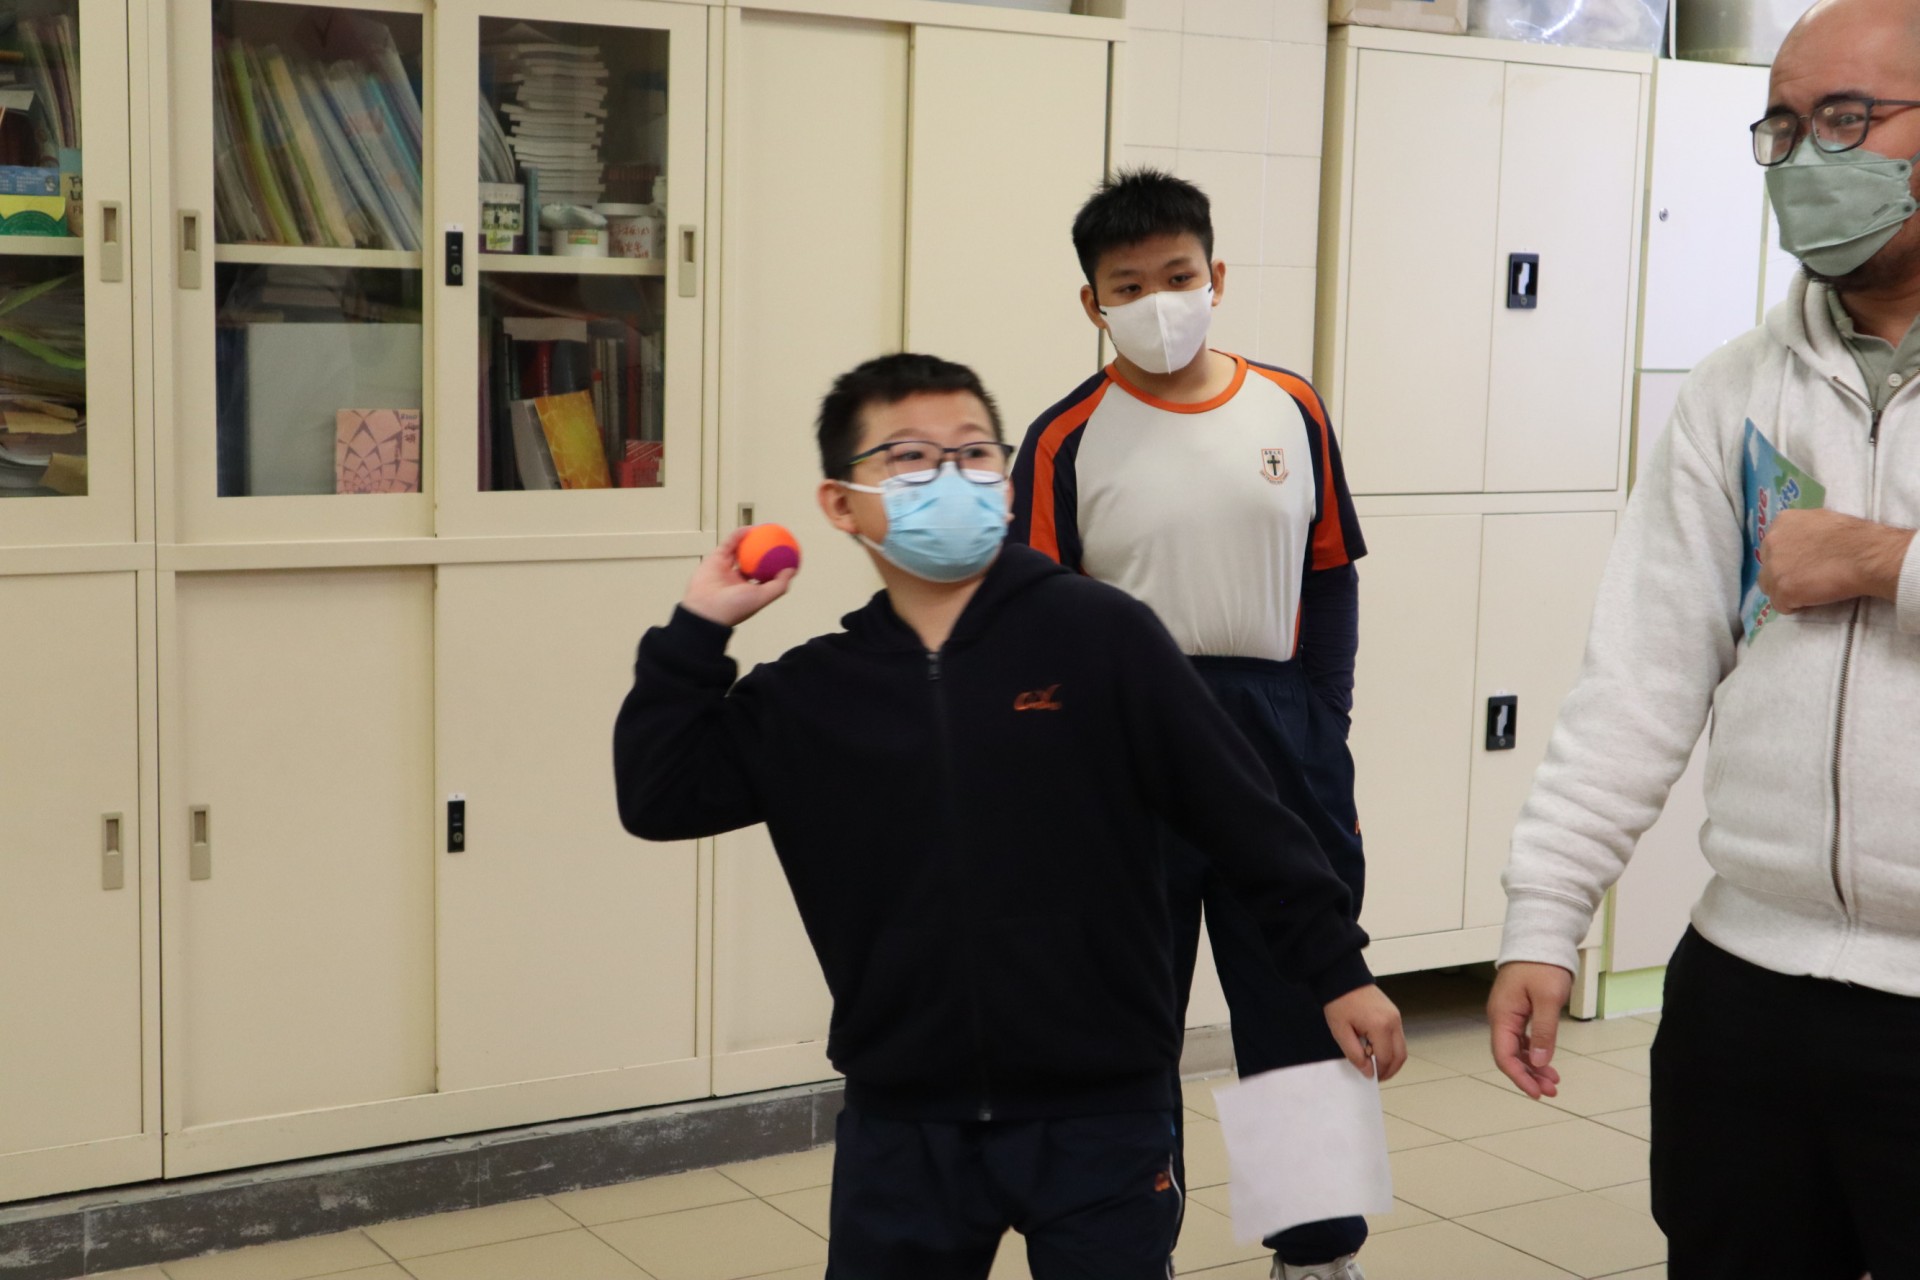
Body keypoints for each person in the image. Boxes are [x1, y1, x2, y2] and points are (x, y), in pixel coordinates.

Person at [615, 352, 1406, 1280]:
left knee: (1276, 1054)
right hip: (905, 1118)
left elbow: (1249, 822)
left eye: (973, 453)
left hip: (1102, 1109)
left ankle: (1317, 1251)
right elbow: (660, 795)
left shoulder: (1102, 636)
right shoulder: (818, 693)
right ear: (842, 504)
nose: (950, 477)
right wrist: (698, 629)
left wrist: (1338, 968)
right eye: (909, 458)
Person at [1486, 1, 1920, 1275]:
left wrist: (1888, 562)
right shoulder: (1736, 386)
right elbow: (1641, 671)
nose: (1806, 156)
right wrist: (1545, 912)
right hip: (1749, 981)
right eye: (1782, 126)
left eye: (1848, 118)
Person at [1010, 170, 1372, 1280]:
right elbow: (1031, 625)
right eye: (1129, 286)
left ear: (1216, 276)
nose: (1158, 301)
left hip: (1278, 746)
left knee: (1301, 1010)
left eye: (1177, 276)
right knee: (1125, 1029)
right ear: (1093, 303)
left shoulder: (1291, 406)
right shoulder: (1064, 438)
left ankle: (1317, 1255)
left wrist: (1320, 721)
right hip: (1123, 763)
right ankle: (1132, 1254)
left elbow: (1331, 577)